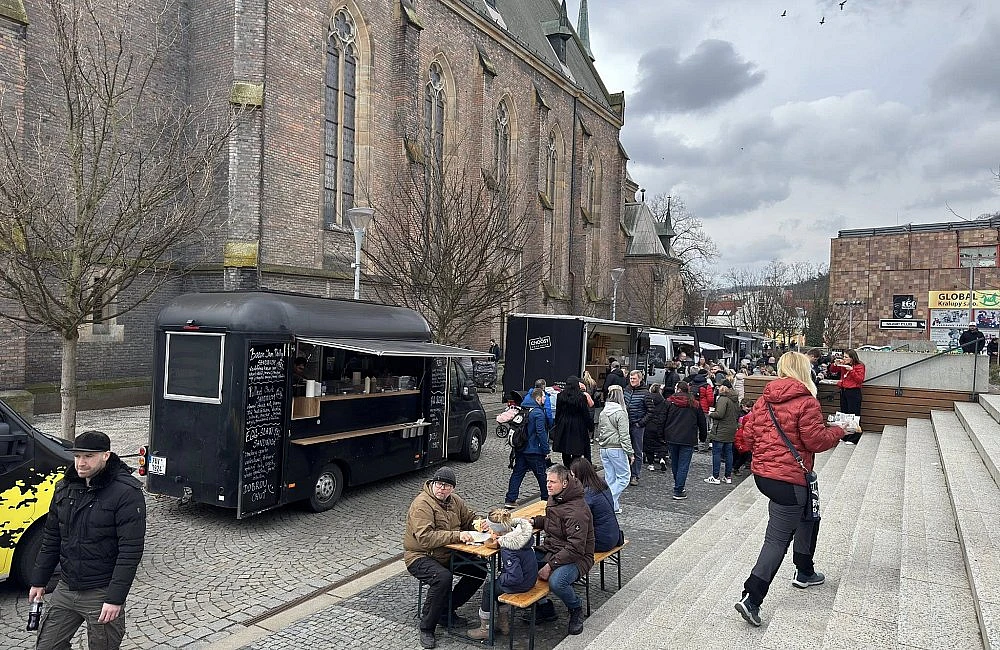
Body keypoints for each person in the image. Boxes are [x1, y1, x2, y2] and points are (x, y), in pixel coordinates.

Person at [734, 352, 846, 628]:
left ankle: (804, 570)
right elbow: (816, 441)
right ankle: (752, 597)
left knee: (809, 516)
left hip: (765, 476)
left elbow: (747, 437)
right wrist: (839, 430)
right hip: (789, 479)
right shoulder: (807, 401)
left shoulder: (764, 399)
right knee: (776, 540)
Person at [28, 430, 146, 650]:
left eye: (88, 456)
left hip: (101, 591)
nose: (80, 463)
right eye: (77, 456)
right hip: (67, 586)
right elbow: (52, 537)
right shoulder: (64, 487)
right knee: (47, 646)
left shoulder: (126, 492)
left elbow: (130, 551)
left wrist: (115, 599)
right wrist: (39, 580)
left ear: (106, 456)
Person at [404, 467, 486, 649]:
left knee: (479, 568)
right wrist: (457, 535)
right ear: (432, 484)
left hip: (446, 553)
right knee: (442, 578)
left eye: (447, 486)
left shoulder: (455, 501)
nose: (442, 488)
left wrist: (481, 524)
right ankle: (426, 627)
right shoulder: (422, 504)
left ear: (453, 489)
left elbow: (469, 518)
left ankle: (445, 610)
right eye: (439, 484)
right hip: (420, 555)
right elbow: (425, 538)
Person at [529, 464, 594, 636]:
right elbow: (555, 522)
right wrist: (535, 522)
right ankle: (544, 607)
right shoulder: (557, 497)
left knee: (557, 582)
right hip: (553, 549)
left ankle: (576, 608)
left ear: (565, 483)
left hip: (578, 557)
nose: (548, 485)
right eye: (547, 481)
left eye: (553, 482)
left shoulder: (576, 510)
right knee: (524, 564)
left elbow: (576, 547)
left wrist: (550, 565)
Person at [467, 509, 537, 640]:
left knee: (489, 588)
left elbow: (515, 577)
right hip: (530, 576)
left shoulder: (508, 548)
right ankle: (503, 623)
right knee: (497, 585)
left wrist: (501, 578)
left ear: (496, 531)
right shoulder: (520, 534)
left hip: (522, 582)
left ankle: (485, 628)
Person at [659, 381, 707, 500]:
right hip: (688, 437)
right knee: (683, 464)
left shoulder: (669, 402)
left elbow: (662, 419)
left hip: (671, 436)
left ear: (678, 389)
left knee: (675, 462)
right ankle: (679, 489)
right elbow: (702, 422)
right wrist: (703, 437)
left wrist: (661, 435)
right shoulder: (695, 404)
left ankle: (678, 485)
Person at [504, 388, 551, 509]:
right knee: (541, 476)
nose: (545, 399)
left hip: (521, 449)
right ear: (538, 398)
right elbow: (541, 433)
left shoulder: (523, 410)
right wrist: (546, 450)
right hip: (535, 451)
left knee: (517, 474)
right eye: (544, 397)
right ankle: (546, 499)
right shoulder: (538, 413)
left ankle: (510, 499)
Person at [570, 457, 623, 552]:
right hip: (614, 534)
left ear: (580, 475)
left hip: (601, 541)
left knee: (567, 544)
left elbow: (578, 518)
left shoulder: (587, 494)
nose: (573, 480)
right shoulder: (601, 483)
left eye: (574, 476)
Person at [595, 384, 633, 513]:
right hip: (616, 448)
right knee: (624, 477)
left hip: (604, 448)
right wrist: (630, 452)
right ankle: (608, 500)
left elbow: (599, 430)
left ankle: (614, 507)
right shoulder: (621, 413)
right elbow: (624, 435)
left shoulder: (603, 412)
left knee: (610, 478)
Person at [551, 376, 593, 466]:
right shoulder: (581, 397)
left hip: (564, 424)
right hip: (578, 425)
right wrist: (590, 426)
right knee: (576, 448)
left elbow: (558, 412)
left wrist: (557, 424)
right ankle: (574, 467)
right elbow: (585, 413)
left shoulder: (560, 396)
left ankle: (567, 466)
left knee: (565, 448)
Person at [829, 349, 865, 445]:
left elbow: (860, 379)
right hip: (844, 391)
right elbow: (833, 370)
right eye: (843, 356)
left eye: (846, 357)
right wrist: (835, 363)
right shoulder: (844, 366)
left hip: (854, 391)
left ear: (852, 358)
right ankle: (845, 435)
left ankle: (855, 437)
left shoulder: (859, 366)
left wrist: (852, 371)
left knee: (853, 414)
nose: (844, 359)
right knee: (844, 413)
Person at [706, 381, 739, 484]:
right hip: (731, 429)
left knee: (717, 453)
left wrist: (711, 413)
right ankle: (728, 477)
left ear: (724, 387)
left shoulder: (723, 399)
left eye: (720, 386)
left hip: (720, 429)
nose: (718, 387)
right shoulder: (735, 399)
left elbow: (719, 414)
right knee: (729, 453)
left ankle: (715, 477)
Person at [623, 370, 648, 486]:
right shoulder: (626, 390)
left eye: (634, 379)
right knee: (625, 449)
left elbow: (651, 411)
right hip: (626, 424)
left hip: (637, 425)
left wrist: (641, 423)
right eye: (631, 379)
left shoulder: (645, 393)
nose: (632, 381)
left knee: (637, 451)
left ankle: (635, 475)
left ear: (640, 379)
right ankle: (626, 473)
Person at [689, 369, 714, 452]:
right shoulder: (706, 386)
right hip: (703, 409)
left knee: (693, 426)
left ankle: (693, 444)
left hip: (692, 407)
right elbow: (710, 400)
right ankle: (702, 446)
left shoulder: (691, 384)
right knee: (703, 427)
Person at [732, 397, 755, 476]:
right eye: (747, 407)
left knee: (745, 456)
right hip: (740, 442)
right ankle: (735, 467)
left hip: (745, 444)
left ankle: (739, 466)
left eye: (750, 407)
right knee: (739, 456)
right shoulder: (739, 414)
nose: (749, 409)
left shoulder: (750, 416)